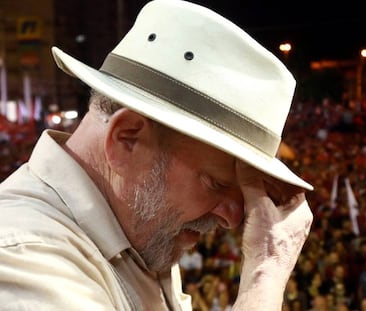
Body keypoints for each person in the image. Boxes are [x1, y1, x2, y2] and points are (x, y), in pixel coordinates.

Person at [0, 0, 314, 310]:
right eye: (216, 183)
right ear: (128, 139)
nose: (232, 219)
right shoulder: (23, 254)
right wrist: (266, 271)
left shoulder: (138, 232)